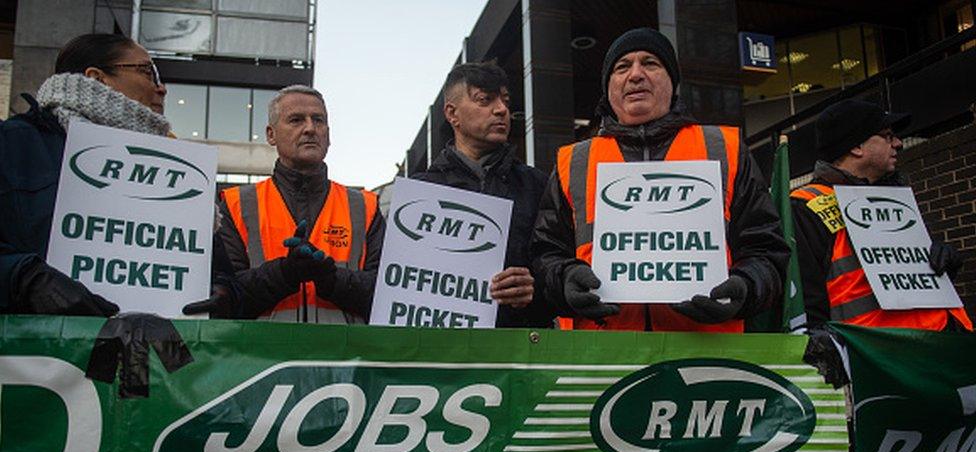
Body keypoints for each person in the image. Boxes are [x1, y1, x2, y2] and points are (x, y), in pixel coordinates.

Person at [531, 27, 788, 331]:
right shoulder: (573, 162)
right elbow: (545, 253)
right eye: (622, 67)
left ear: (673, 82)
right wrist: (564, 281)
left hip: (708, 354)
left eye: (650, 63)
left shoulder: (725, 150)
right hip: (602, 357)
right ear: (608, 86)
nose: (635, 74)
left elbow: (767, 250)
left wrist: (746, 288)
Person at [0, 33, 169, 316]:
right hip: (29, 350)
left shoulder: (173, 165)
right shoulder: (13, 144)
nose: (161, 87)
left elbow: (219, 272)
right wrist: (25, 279)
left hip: (150, 352)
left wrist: (221, 288)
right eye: (147, 71)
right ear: (97, 78)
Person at [790, 99, 972, 331]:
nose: (898, 143)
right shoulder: (805, 205)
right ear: (856, 147)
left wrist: (943, 263)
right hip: (880, 355)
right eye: (887, 136)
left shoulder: (896, 198)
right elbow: (807, 303)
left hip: (942, 344)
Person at [216, 85, 384, 323]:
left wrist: (333, 279)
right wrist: (285, 273)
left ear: (329, 133)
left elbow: (388, 295)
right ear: (271, 134)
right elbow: (223, 297)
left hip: (345, 358)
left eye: (318, 120)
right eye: (296, 120)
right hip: (264, 358)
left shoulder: (365, 208)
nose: (310, 129)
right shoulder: (236, 205)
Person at [412, 61, 553, 328]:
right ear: (452, 114)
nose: (501, 110)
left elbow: (560, 265)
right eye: (484, 100)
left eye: (505, 101)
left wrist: (536, 288)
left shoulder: (538, 185)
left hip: (522, 350)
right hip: (444, 355)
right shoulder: (420, 193)